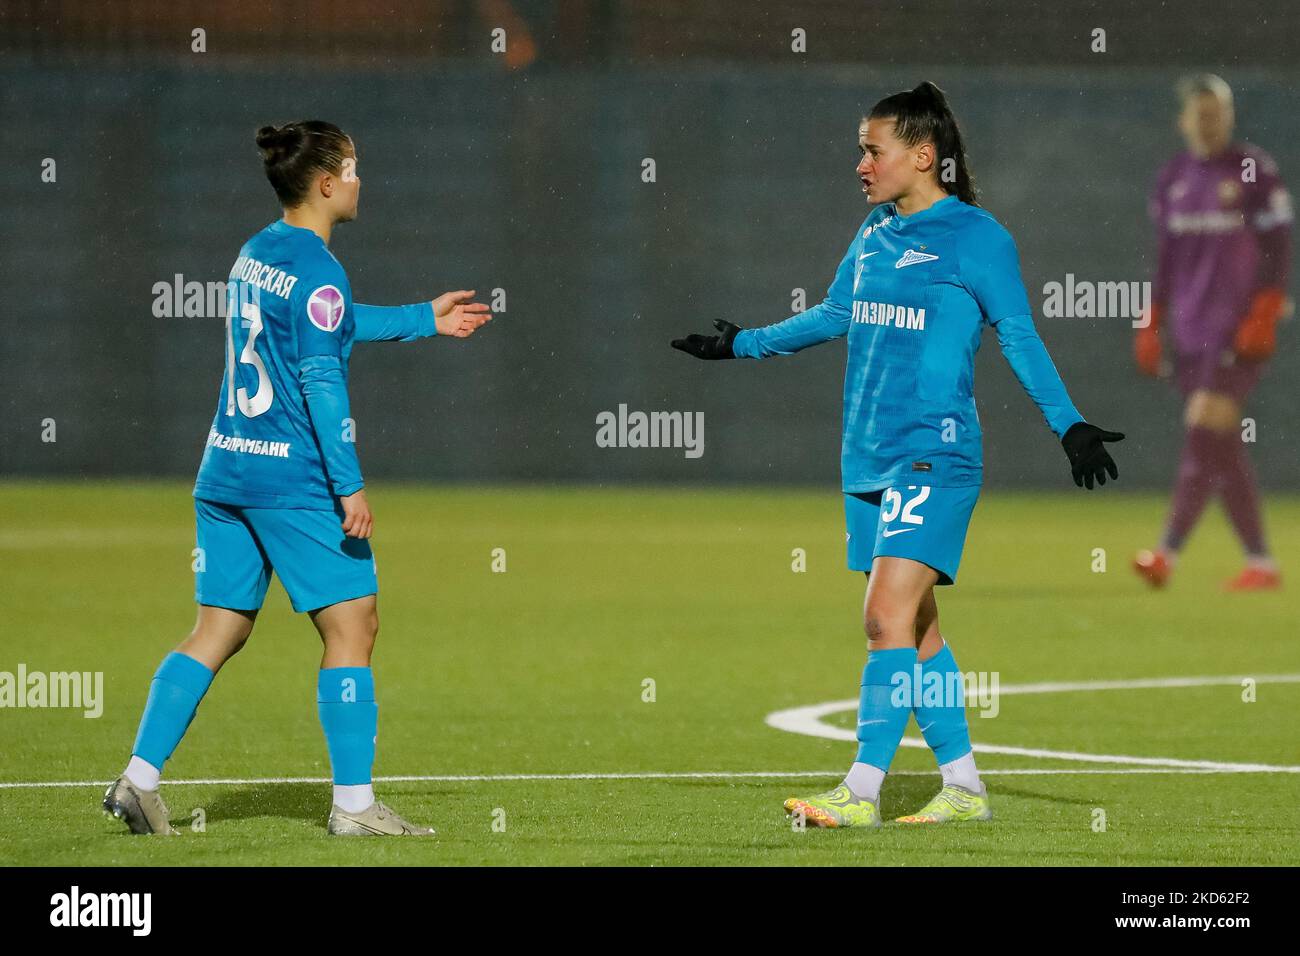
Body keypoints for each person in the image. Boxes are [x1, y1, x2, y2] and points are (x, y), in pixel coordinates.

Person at [672, 82, 1123, 828]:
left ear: (923, 155)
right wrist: (740, 345)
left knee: (883, 617)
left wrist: (1068, 425)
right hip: (868, 456)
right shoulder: (876, 233)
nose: (860, 164)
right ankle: (965, 786)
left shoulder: (979, 238)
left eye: (872, 150)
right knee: (918, 631)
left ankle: (861, 789)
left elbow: (1018, 335)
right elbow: (836, 314)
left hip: (934, 454)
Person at [103, 120, 491, 836]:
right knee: (354, 625)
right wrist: (349, 485)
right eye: (352, 168)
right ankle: (353, 807)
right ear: (324, 182)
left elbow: (321, 327)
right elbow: (320, 377)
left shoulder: (258, 253)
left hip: (226, 471)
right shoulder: (318, 268)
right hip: (292, 480)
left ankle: (138, 779)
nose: (359, 180)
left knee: (216, 628)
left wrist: (420, 319)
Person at [1134, 74, 1291, 591]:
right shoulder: (1173, 177)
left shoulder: (1253, 170)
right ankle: (1261, 563)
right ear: (1184, 121)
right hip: (1190, 330)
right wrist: (1151, 321)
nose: (1209, 123)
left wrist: (1266, 308)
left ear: (1229, 116)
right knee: (1220, 446)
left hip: (1237, 330)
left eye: (1217, 113)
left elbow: (1279, 244)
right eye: (1199, 114)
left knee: (1203, 427)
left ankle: (1166, 554)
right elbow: (1165, 259)